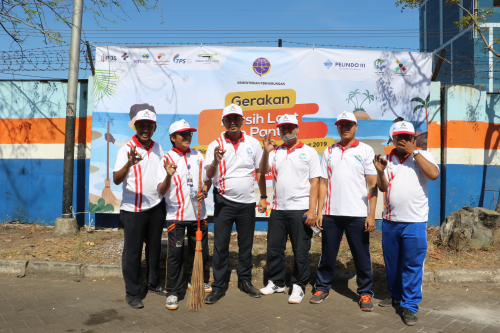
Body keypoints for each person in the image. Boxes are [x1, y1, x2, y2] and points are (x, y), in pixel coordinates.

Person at [310, 111, 378, 311]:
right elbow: (323, 182)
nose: (345, 128)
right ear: (337, 128)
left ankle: (365, 293)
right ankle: (322, 287)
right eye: (341, 125)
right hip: (331, 213)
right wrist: (320, 210)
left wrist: (371, 214)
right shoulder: (329, 151)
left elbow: (372, 185)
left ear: (356, 127)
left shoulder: (366, 150)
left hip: (357, 214)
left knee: (361, 255)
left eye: (349, 124)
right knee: (327, 254)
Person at [373, 120, 439, 326]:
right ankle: (395, 295)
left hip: (415, 222)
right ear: (393, 139)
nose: (403, 141)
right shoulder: (387, 158)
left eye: (407, 137)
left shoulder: (423, 155)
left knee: (412, 265)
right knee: (393, 264)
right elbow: (383, 188)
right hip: (391, 221)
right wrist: (380, 171)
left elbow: (434, 174)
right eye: (399, 137)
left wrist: (415, 152)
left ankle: (409, 306)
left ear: (413, 138)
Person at [203, 104, 267, 304]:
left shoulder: (253, 143)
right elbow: (208, 175)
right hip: (224, 202)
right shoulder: (215, 145)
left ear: (242, 121)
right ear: (223, 122)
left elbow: (260, 171)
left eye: (236, 118)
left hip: (247, 203)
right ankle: (219, 286)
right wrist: (215, 161)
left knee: (245, 245)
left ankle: (245, 281)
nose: (232, 122)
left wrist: (263, 196)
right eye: (228, 119)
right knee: (221, 246)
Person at [258, 114, 320, 304]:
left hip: (300, 209)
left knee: (300, 250)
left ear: (297, 128)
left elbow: (315, 182)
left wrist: (312, 210)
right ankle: (277, 282)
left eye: (290, 127)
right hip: (278, 208)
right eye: (283, 128)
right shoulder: (275, 152)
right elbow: (263, 170)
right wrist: (266, 152)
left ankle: (298, 285)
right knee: (274, 248)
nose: (286, 130)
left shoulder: (309, 152)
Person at [113, 109, 167, 309]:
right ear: (136, 127)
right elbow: (117, 180)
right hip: (133, 210)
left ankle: (153, 283)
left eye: (149, 126)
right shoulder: (126, 148)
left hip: (155, 207)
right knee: (133, 253)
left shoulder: (158, 148)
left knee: (154, 250)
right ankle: (133, 292)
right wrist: (129, 163)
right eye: (142, 125)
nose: (145, 129)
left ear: (154, 128)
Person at [157, 119, 212, 310]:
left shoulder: (198, 155)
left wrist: (204, 192)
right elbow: (162, 191)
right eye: (183, 134)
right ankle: (172, 291)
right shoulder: (166, 158)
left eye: (190, 133)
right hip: (176, 217)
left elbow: (207, 180)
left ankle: (194, 280)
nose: (188, 136)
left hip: (198, 216)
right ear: (173, 138)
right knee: (175, 255)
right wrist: (168, 175)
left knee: (200, 252)